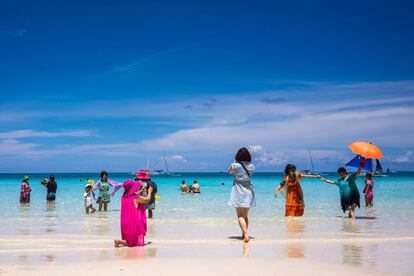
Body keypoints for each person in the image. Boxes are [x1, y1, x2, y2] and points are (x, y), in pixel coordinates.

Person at [114, 179, 153, 247]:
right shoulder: (136, 198)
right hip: (133, 221)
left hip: (125, 221)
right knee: (134, 243)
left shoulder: (124, 197)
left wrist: (140, 191)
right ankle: (119, 241)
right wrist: (149, 192)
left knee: (130, 238)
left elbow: (132, 195)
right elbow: (147, 200)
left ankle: (120, 241)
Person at [228, 147, 255, 243]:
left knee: (240, 216)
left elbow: (229, 171)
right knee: (245, 215)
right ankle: (244, 234)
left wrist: (234, 162)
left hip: (238, 191)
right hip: (248, 191)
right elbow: (250, 175)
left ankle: (246, 235)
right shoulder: (252, 166)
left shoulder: (235, 165)